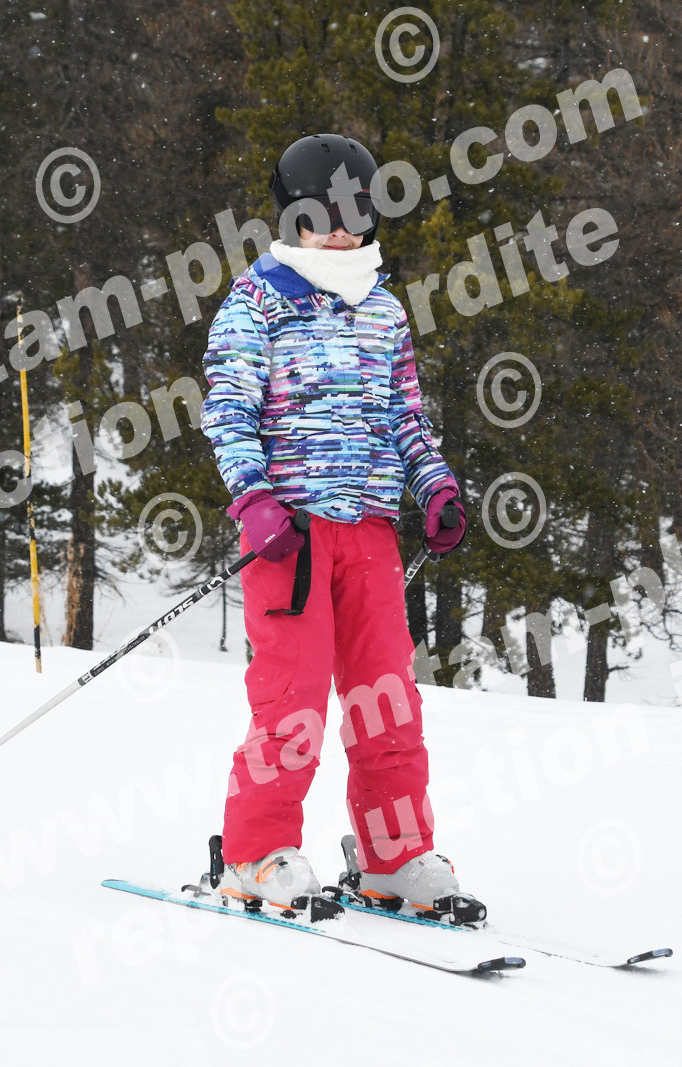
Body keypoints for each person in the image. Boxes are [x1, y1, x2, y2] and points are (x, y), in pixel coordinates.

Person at [200, 133, 477, 919]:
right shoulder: (257, 302)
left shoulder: (383, 309)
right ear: (291, 219)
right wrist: (254, 499)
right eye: (321, 218)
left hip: (370, 531)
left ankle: (396, 856)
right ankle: (256, 852)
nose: (340, 233)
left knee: (387, 699)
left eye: (355, 216)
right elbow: (228, 412)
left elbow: (405, 417)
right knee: (292, 700)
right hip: (287, 534)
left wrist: (435, 486)